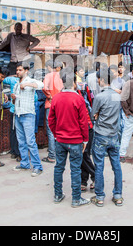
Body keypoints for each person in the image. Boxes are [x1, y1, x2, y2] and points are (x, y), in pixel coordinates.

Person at [49, 67, 91, 208]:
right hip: (75, 140)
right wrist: (85, 139)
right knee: (75, 169)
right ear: (73, 83)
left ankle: (58, 194)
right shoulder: (78, 99)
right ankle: (76, 199)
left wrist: (56, 134)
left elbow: (51, 120)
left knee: (59, 167)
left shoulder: (56, 98)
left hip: (60, 140)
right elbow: (83, 122)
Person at [90, 67, 123, 207]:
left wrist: (97, 115)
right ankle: (118, 195)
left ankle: (100, 196)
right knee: (116, 165)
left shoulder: (99, 97)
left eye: (98, 79)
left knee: (99, 166)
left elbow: (93, 114)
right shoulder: (117, 95)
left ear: (102, 80)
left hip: (101, 134)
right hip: (114, 134)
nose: (98, 81)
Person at [12, 62, 44, 177]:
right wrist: (13, 98)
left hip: (28, 115)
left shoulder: (31, 81)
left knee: (30, 142)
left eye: (20, 70)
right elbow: (14, 101)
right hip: (18, 114)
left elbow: (41, 85)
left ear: (26, 70)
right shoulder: (16, 84)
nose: (17, 72)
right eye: (17, 70)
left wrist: (27, 85)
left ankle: (37, 166)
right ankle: (25, 163)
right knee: (21, 141)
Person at [42, 60, 64, 163]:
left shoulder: (49, 76)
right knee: (60, 129)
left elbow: (44, 87)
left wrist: (49, 96)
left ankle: (52, 155)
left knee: (51, 131)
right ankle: (60, 153)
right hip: (61, 105)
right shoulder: (63, 77)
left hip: (51, 105)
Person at [3, 70, 21, 161]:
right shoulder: (27, 81)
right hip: (19, 110)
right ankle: (18, 153)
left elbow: (2, 79)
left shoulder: (11, 80)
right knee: (20, 132)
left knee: (14, 131)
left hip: (13, 110)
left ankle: (14, 151)